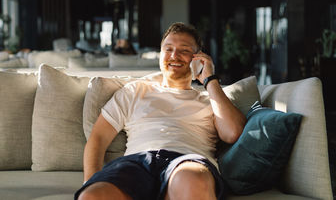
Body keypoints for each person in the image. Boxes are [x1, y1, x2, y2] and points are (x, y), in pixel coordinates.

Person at [75, 22, 246, 200]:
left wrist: (210, 80)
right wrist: (91, 181)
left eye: (185, 50)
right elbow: (98, 138)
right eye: (168, 49)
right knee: (92, 196)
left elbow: (232, 133)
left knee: (192, 181)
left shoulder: (211, 99)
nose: (174, 55)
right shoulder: (134, 91)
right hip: (137, 163)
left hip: (186, 161)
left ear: (198, 58)